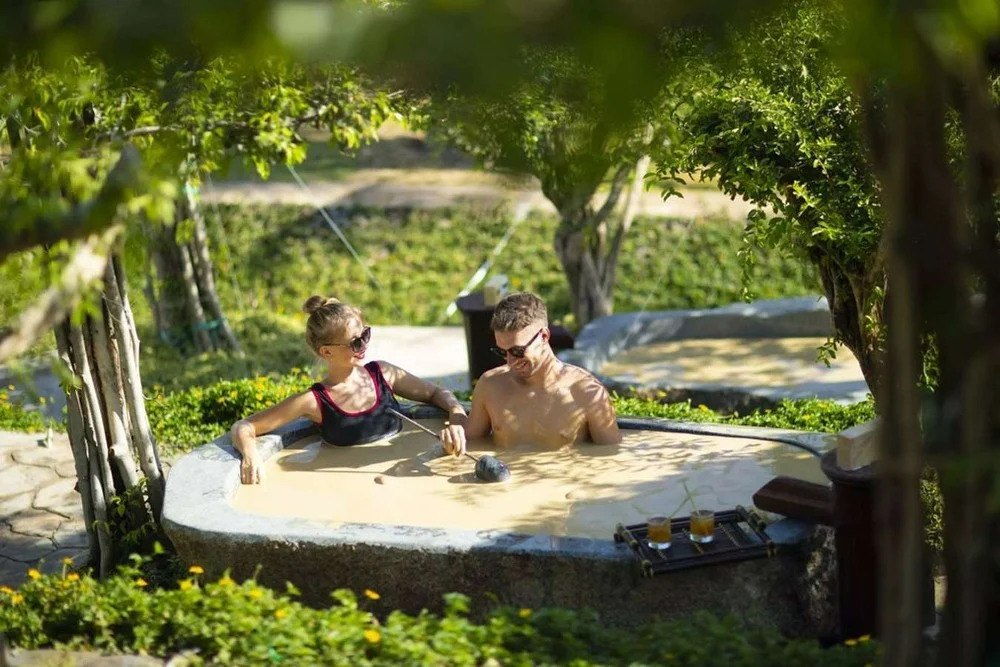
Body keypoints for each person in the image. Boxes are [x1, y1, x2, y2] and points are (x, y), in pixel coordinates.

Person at [231, 296, 469, 484]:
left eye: (365, 334)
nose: (364, 345)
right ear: (326, 352)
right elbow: (245, 427)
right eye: (355, 342)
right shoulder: (314, 401)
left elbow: (436, 393)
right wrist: (251, 454)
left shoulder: (383, 374)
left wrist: (456, 416)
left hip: (404, 475)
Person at [441, 292, 621, 452]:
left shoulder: (587, 393)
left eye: (518, 351)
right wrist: (453, 433)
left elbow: (611, 458)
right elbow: (469, 441)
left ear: (544, 336)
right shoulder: (490, 385)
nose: (510, 362)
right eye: (502, 352)